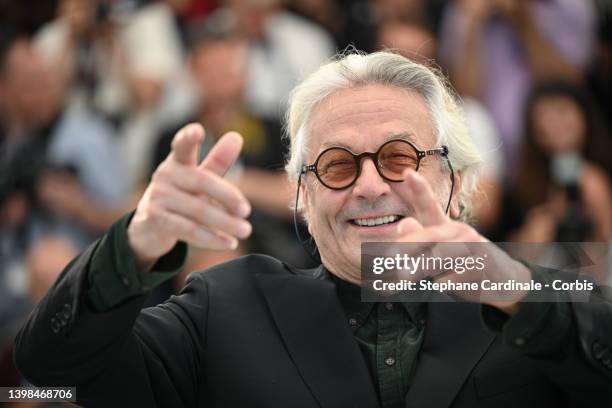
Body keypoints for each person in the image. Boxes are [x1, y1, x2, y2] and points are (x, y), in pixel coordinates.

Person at [14, 51, 612, 407]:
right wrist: (134, 248)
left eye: (400, 157)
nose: (371, 186)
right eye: (338, 165)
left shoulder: (544, 291)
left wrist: (512, 288)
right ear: (301, 196)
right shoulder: (223, 308)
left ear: (454, 183)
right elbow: (51, 370)